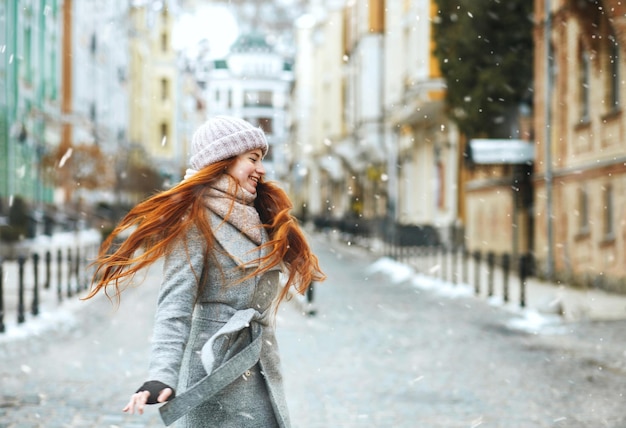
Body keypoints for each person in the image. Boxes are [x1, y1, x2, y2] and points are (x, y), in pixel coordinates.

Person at [85, 116, 326, 427]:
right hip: (215, 371)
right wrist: (161, 373)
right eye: (253, 159)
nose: (262, 169)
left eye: (262, 160)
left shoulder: (258, 214)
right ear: (222, 162)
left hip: (260, 364)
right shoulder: (194, 221)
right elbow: (175, 306)